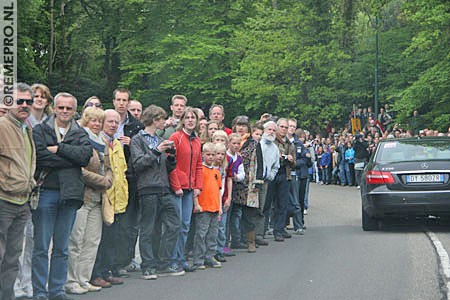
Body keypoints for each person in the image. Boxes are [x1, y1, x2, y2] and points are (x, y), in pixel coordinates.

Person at [32, 92, 93, 300]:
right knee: (41, 246)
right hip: (46, 192)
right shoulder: (41, 130)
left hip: (70, 195)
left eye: (69, 108)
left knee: (62, 247)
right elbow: (40, 157)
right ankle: (40, 292)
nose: (65, 111)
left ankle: (56, 290)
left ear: (75, 111)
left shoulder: (80, 132)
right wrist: (70, 158)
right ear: (55, 108)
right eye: (61, 108)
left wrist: (58, 148)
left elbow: (85, 157)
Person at [130, 105, 183, 280]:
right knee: (148, 228)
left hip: (163, 187)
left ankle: (163, 262)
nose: (164, 122)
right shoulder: (137, 139)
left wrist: (172, 157)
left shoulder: (159, 138)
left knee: (174, 224)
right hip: (147, 188)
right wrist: (156, 151)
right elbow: (138, 164)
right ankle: (148, 265)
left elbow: (166, 167)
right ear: (154, 120)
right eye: (162, 119)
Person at [65, 107, 113, 295]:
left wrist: (109, 178)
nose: (97, 124)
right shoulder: (79, 139)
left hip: (99, 197)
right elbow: (78, 169)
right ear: (86, 121)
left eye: (99, 121)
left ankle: (84, 280)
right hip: (82, 196)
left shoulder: (103, 141)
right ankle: (71, 280)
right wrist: (102, 180)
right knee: (76, 240)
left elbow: (108, 166)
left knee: (92, 241)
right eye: (93, 120)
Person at [15, 83, 53, 299]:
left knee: (34, 241)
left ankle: (29, 282)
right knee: (17, 242)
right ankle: (16, 284)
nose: (37, 100)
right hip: (20, 187)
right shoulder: (21, 122)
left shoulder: (49, 123)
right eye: (33, 97)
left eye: (41, 97)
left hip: (41, 187)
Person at [0, 83, 36, 300]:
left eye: (28, 101)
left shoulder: (26, 128)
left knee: (13, 257)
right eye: (19, 101)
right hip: (3, 200)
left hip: (22, 201)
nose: (24, 105)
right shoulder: (2, 126)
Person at [90, 110, 128, 288]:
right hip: (104, 197)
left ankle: (108, 271)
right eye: (110, 121)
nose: (113, 124)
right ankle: (96, 273)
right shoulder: (98, 141)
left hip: (118, 199)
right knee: (100, 239)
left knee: (112, 239)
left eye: (116, 122)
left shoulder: (117, 144)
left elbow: (123, 172)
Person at [111, 88, 143, 276]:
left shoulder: (136, 126)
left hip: (129, 177)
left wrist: (132, 143)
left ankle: (124, 260)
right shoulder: (108, 119)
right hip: (110, 175)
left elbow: (142, 152)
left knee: (128, 223)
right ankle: (110, 262)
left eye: (125, 100)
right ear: (114, 101)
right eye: (118, 99)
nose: (121, 103)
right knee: (110, 222)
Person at [169, 107, 203, 272]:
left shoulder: (197, 141)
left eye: (193, 118)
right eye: (187, 117)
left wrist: (198, 186)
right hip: (177, 188)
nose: (190, 120)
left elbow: (198, 165)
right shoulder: (176, 137)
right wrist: (176, 186)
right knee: (176, 225)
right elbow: (170, 163)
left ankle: (181, 258)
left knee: (185, 225)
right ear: (182, 120)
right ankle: (172, 260)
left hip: (190, 189)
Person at [192, 142, 222, 269]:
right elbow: (195, 189)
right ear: (203, 154)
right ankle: (198, 259)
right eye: (208, 154)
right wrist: (196, 204)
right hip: (203, 207)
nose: (210, 157)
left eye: (213, 154)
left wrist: (220, 207)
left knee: (213, 234)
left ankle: (210, 256)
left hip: (214, 207)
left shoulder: (216, 172)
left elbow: (219, 190)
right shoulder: (200, 171)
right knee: (201, 234)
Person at [266, 118, 296, 242]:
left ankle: (279, 229)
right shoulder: (271, 141)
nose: (284, 129)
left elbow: (295, 163)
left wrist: (291, 159)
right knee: (267, 203)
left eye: (286, 127)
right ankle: (262, 230)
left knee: (282, 203)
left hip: (285, 173)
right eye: (282, 126)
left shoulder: (290, 144)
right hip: (272, 174)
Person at [255, 121, 280, 244]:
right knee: (249, 208)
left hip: (265, 181)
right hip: (253, 179)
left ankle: (259, 234)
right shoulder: (257, 143)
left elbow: (276, 166)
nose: (271, 132)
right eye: (269, 129)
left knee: (262, 207)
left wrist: (271, 175)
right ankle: (246, 236)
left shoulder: (275, 148)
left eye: (273, 130)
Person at [227, 133, 246, 249]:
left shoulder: (239, 158)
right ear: (229, 143)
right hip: (225, 191)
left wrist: (237, 177)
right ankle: (224, 247)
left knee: (235, 216)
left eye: (238, 144)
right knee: (225, 220)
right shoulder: (225, 156)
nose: (236, 145)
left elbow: (242, 173)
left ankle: (235, 241)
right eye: (234, 143)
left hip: (236, 189)